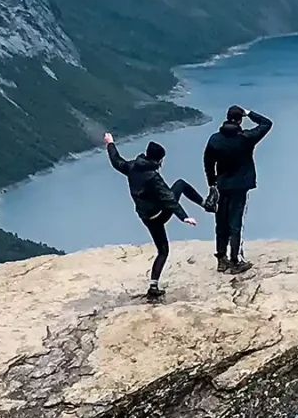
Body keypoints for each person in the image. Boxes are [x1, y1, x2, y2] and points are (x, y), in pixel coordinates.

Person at [104, 132, 202, 298]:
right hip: (159, 214)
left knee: (162, 251)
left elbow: (116, 161)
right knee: (180, 185)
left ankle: (153, 287)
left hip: (146, 217)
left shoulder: (132, 166)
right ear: (159, 160)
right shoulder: (153, 177)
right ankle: (205, 204)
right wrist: (184, 216)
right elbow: (169, 199)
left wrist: (110, 143)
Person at [202, 104, 272, 272]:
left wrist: (212, 184)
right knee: (235, 223)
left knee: (221, 222)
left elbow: (208, 164)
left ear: (226, 118)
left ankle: (221, 259)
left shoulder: (214, 139)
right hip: (240, 186)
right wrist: (249, 113)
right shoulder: (246, 138)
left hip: (222, 185)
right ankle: (235, 260)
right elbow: (266, 123)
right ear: (240, 120)